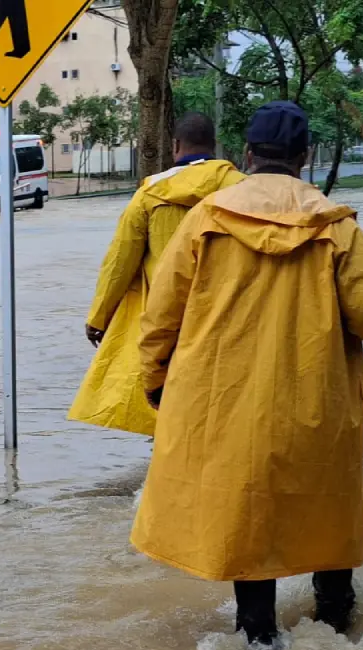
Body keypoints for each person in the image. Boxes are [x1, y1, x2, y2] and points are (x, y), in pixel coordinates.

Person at [132, 101, 363, 650]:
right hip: (316, 398)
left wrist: (154, 379)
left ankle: (258, 637)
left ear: (248, 154)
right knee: (325, 505)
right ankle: (336, 624)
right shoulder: (337, 226)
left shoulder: (206, 218)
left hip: (227, 399)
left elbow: (160, 315)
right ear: (305, 156)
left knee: (247, 509)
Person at [68, 112, 244, 436]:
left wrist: (98, 317)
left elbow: (120, 261)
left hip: (165, 320)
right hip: (227, 316)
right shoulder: (241, 189)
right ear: (214, 145)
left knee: (167, 408)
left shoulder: (150, 194)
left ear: (175, 146)